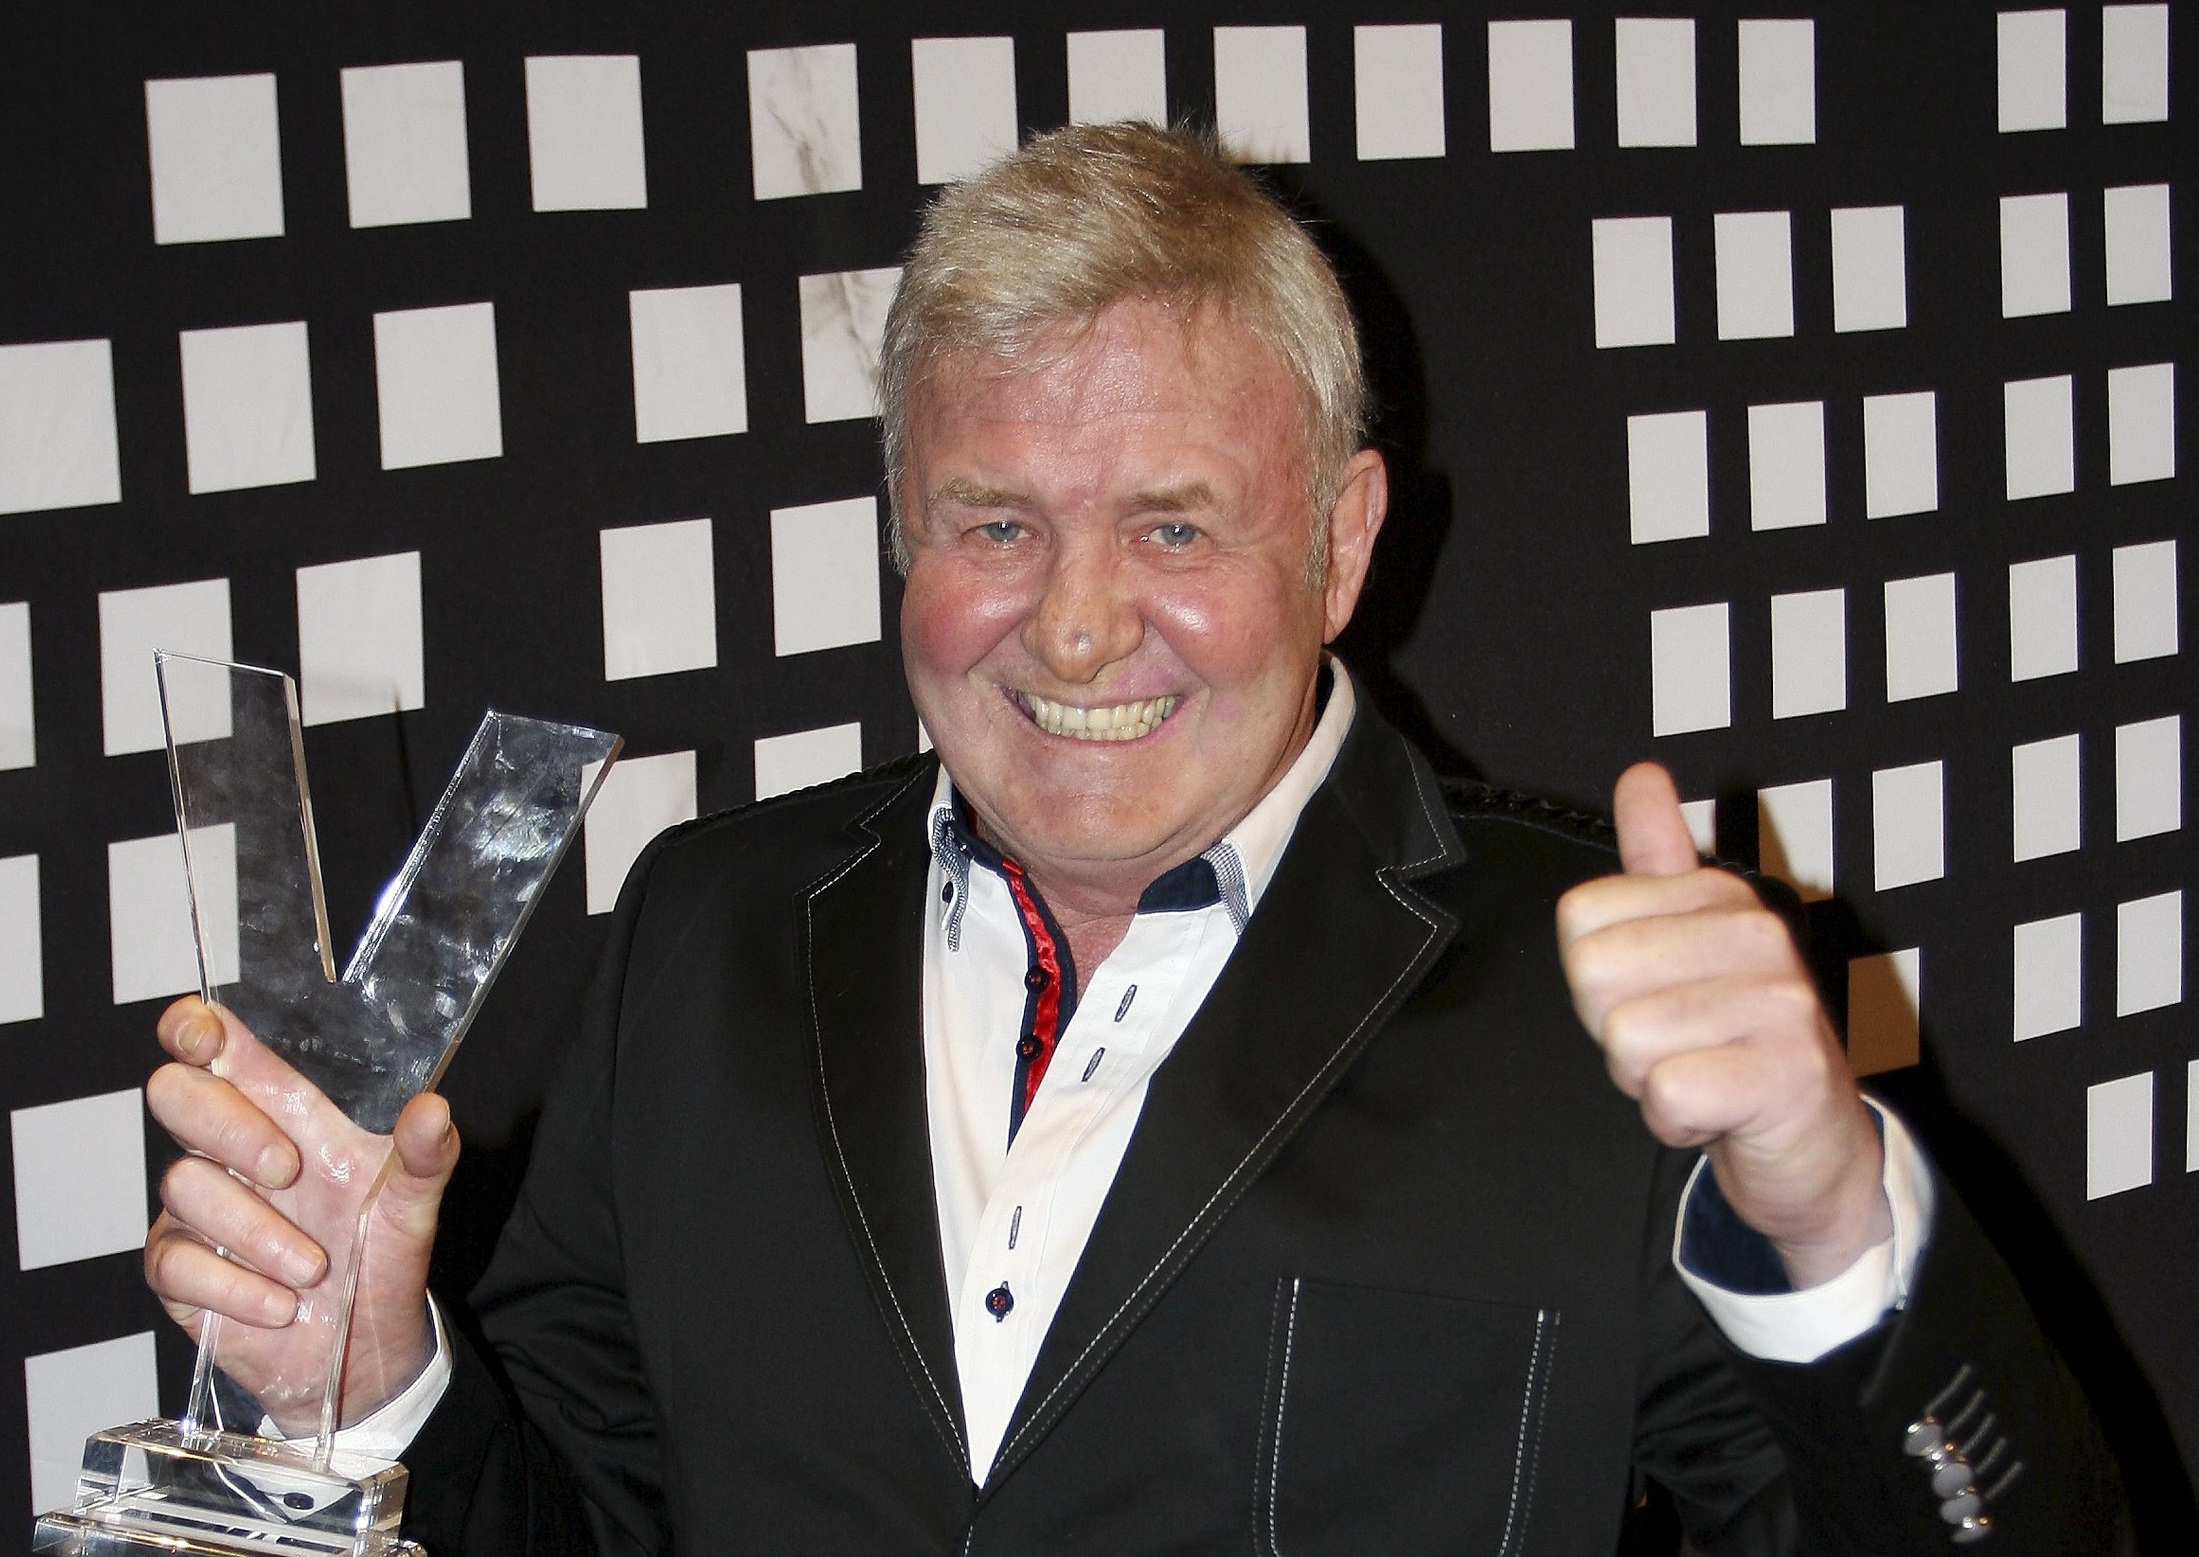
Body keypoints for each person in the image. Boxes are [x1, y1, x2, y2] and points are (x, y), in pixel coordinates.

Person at [143, 123, 2124, 1554]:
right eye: (995, 523)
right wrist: (374, 1383)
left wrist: (1828, 1225)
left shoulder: (1592, 999)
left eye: (1173, 525)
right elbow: (575, 1514)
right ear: (905, 530)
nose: (1077, 625)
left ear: (1341, 540)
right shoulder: (704, 931)